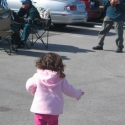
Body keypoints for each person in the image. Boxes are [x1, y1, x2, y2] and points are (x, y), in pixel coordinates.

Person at [26, 52, 84, 125]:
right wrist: (78, 93)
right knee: (53, 122)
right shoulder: (60, 78)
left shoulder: (37, 76)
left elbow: (29, 86)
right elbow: (70, 90)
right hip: (55, 109)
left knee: (40, 122)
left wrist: (33, 91)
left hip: (40, 107)